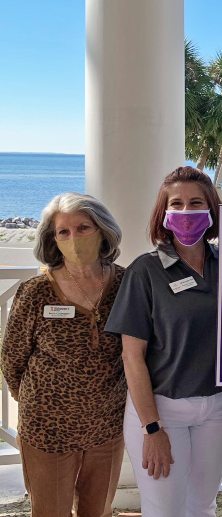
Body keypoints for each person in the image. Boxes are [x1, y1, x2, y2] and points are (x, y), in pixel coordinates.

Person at [105, 167, 222, 516]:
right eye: (176, 203)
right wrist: (152, 428)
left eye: (196, 203)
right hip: (162, 410)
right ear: (163, 213)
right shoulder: (144, 271)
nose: (186, 211)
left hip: (221, 407)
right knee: (164, 508)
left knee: (202, 504)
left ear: (211, 209)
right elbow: (132, 357)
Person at [1, 193, 125, 516]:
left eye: (83, 227)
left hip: (106, 430)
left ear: (103, 231)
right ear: (53, 241)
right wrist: (41, 402)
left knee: (98, 511)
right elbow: (11, 360)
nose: (74, 239)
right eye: (63, 232)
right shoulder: (36, 292)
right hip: (46, 433)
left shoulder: (126, 284)